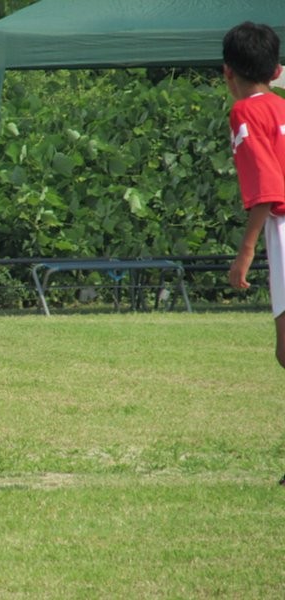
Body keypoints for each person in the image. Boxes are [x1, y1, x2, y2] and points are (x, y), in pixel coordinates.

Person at [223, 21, 285, 486]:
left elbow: (267, 187)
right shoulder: (282, 106)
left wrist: (244, 253)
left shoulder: (245, 111)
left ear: (228, 72)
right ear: (277, 70)